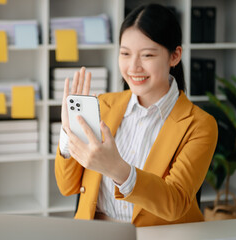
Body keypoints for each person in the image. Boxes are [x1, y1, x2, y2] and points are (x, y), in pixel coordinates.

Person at [55, 3, 218, 227]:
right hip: (95, 231)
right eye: (125, 53)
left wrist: (116, 169)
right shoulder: (103, 105)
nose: (133, 67)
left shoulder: (199, 125)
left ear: (174, 56)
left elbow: (175, 202)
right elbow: (67, 186)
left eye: (148, 55)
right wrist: (67, 135)